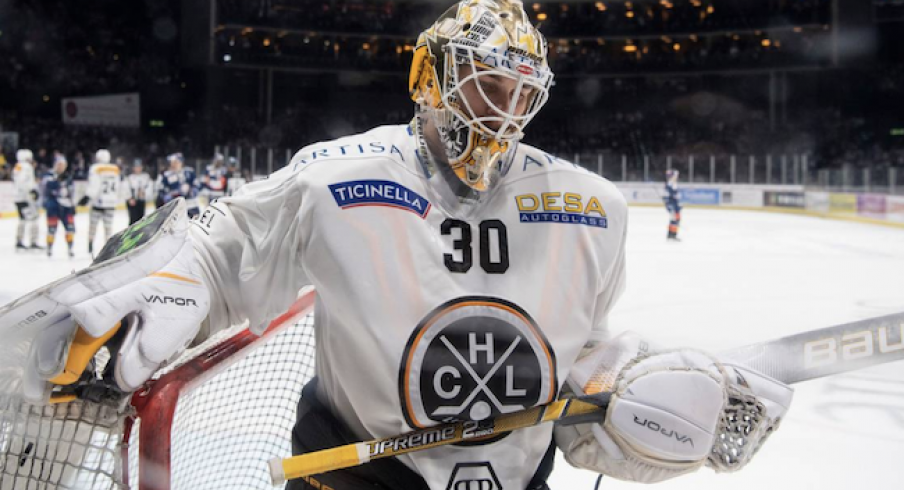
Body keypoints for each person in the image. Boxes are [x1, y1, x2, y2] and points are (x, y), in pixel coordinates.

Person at [11, 2, 791, 489]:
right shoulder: (334, 178)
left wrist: (632, 400)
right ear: (431, 76)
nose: (503, 112)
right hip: (351, 476)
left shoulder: (594, 208)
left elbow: (575, 360)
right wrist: (177, 273)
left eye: (521, 94)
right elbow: (227, 249)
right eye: (487, 85)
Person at [82, 149, 121, 255]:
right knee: (108, 228)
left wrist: (88, 196)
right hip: (111, 202)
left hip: (98, 203)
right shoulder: (115, 169)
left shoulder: (96, 168)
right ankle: (108, 250)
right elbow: (118, 186)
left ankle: (90, 247)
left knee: (93, 226)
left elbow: (95, 184)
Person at [41, 155, 76, 258]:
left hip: (67, 207)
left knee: (70, 228)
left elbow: (72, 192)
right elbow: (46, 188)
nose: (61, 167)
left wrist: (73, 205)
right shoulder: (48, 176)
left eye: (63, 165)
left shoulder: (68, 176)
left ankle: (70, 249)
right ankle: (49, 248)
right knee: (51, 229)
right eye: (59, 164)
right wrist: (57, 181)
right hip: (53, 207)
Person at [12, 149, 42, 251]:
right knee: (34, 218)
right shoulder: (26, 167)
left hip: (18, 197)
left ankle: (19, 241)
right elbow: (24, 181)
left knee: (22, 219)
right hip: (26, 197)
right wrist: (32, 191)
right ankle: (33, 242)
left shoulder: (18, 166)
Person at [157, 152, 200, 217]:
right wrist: (168, 196)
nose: (173, 165)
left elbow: (197, 185)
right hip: (176, 208)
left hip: (191, 205)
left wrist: (191, 190)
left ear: (181, 162)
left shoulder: (189, 172)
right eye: (172, 162)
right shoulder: (166, 175)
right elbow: (162, 191)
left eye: (175, 162)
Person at [124, 159, 153, 225]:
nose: (138, 169)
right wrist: (129, 198)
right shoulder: (130, 178)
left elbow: (149, 188)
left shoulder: (146, 177)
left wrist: (144, 193)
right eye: (136, 167)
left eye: (139, 167)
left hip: (141, 201)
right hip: (132, 201)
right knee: (133, 220)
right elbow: (126, 189)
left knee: (141, 220)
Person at [664, 168, 682, 241]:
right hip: (672, 205)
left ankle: (671, 234)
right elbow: (668, 196)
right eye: (675, 175)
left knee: (675, 219)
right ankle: (672, 234)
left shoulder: (673, 184)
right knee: (674, 219)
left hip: (675, 205)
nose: (676, 177)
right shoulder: (670, 184)